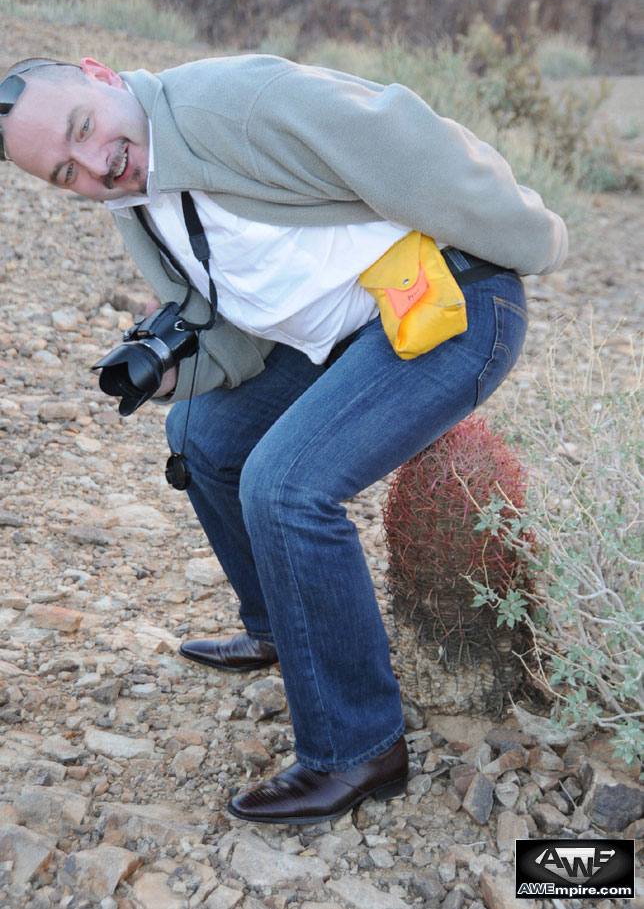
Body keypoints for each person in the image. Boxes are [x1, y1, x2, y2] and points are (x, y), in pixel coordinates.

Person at [0, 53, 567, 825]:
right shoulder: (135, 194)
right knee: (200, 435)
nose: (95, 166)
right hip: (340, 336)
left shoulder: (234, 103)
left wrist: (531, 240)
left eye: (84, 130)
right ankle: (280, 626)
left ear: (101, 77)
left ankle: (357, 746)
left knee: (287, 485)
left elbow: (406, 136)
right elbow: (228, 323)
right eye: (65, 172)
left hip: (454, 299)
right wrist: (168, 375)